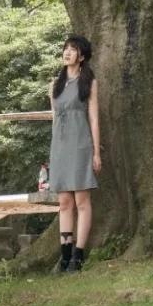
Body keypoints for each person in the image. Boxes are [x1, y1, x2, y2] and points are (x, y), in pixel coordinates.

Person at [48, 36, 101, 272]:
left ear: (81, 56)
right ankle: (65, 252)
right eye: (66, 49)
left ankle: (78, 255)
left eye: (73, 50)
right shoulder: (54, 85)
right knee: (64, 202)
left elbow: (93, 118)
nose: (67, 53)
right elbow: (54, 120)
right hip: (60, 148)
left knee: (82, 200)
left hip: (81, 146)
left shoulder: (88, 82)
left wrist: (96, 152)